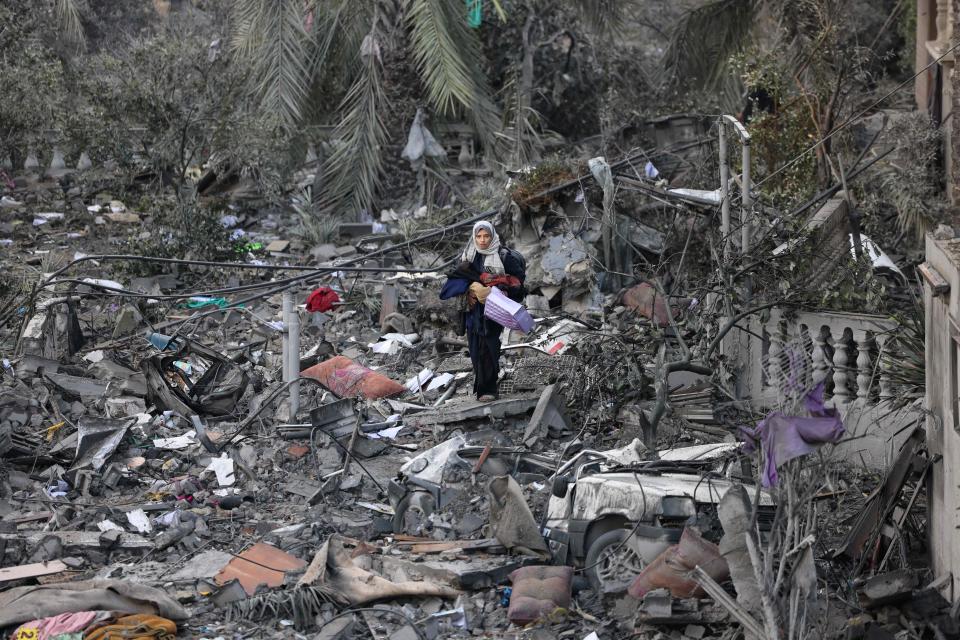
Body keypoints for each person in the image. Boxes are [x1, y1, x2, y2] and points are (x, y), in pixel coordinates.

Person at [441, 221, 526, 401]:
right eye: (479, 236)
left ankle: (488, 390)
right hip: (473, 312)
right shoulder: (468, 256)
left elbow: (519, 285)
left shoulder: (503, 256)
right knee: (474, 348)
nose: (482, 240)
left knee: (489, 347)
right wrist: (471, 288)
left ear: (492, 236)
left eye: (486, 236)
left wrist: (497, 288)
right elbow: (454, 279)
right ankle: (480, 386)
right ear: (474, 237)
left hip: (493, 312)